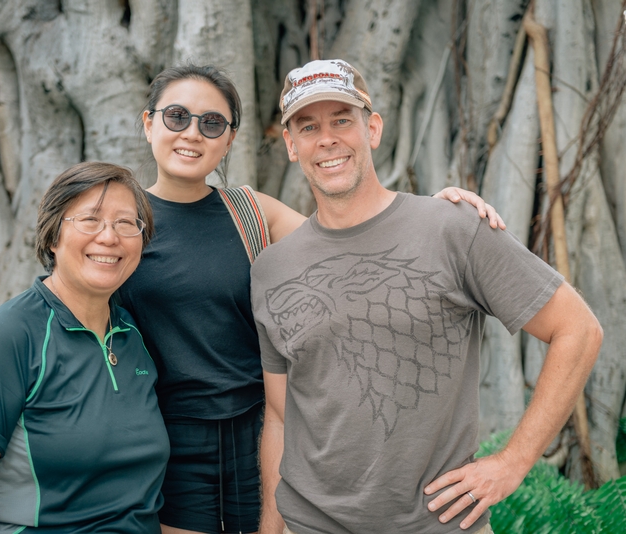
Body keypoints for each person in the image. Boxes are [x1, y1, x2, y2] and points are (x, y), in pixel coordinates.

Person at [0, 65, 506, 534]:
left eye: (212, 122)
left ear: (230, 138)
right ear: (149, 124)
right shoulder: (118, 221)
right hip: (163, 435)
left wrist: (433, 211)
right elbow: (64, 288)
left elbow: (347, 240)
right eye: (177, 117)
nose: (192, 133)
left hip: (263, 432)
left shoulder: (249, 212)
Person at [251, 59, 603, 534]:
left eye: (342, 120)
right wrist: (270, 528)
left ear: (372, 128)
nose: (327, 139)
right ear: (291, 145)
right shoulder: (273, 270)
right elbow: (280, 414)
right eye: (308, 126)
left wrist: (512, 463)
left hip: (437, 524)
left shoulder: (451, 227)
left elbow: (577, 330)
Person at [0, 162, 170, 533]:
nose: (109, 237)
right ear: (53, 237)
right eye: (90, 219)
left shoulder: (133, 333)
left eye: (126, 223)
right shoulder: (11, 336)